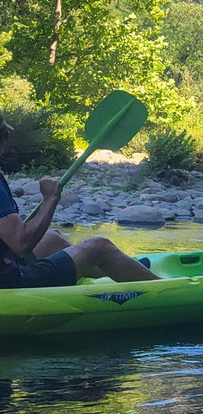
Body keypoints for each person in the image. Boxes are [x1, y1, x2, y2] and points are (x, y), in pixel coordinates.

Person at [0, 111, 160, 287]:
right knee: (100, 247)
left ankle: (122, 268)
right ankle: (166, 291)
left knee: (53, 239)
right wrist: (50, 198)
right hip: (10, 282)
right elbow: (21, 243)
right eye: (5, 135)